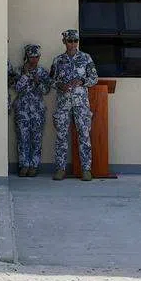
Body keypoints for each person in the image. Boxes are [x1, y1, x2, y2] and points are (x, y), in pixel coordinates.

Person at [49, 29, 98, 181]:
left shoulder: (86, 58)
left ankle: (86, 169)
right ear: (64, 42)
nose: (73, 44)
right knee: (61, 136)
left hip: (81, 103)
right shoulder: (58, 60)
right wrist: (60, 85)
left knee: (84, 135)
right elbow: (51, 80)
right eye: (70, 41)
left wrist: (82, 81)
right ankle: (60, 169)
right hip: (63, 104)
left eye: (75, 41)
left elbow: (94, 78)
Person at [10, 44, 51, 177]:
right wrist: (26, 75)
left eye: (37, 57)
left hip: (37, 110)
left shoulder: (42, 72)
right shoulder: (18, 71)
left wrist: (38, 82)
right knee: (22, 138)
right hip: (22, 110)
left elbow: (46, 90)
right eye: (31, 57)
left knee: (36, 139)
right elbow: (16, 88)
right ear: (26, 57)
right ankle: (24, 165)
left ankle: (34, 165)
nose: (34, 60)